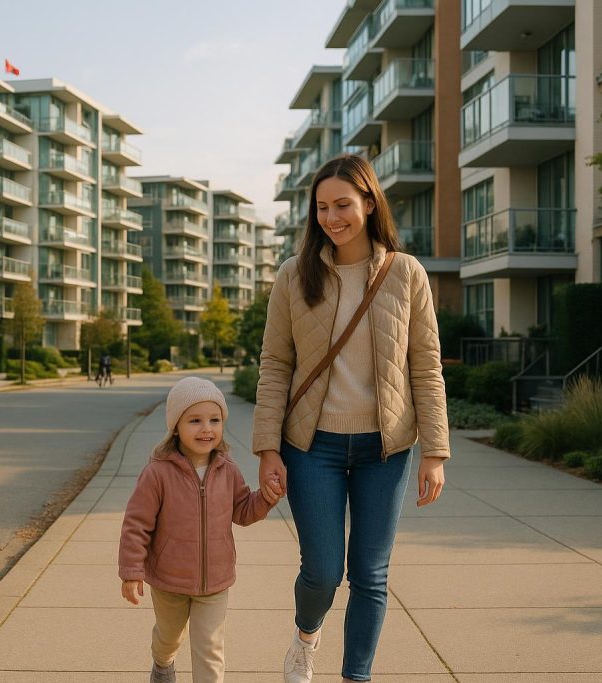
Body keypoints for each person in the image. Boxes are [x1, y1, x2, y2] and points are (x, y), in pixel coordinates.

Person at [252, 154, 449, 683]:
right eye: (321, 208)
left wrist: (435, 451)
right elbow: (275, 365)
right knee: (321, 570)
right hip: (311, 445)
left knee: (371, 575)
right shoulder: (295, 276)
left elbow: (425, 366)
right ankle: (305, 636)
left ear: (369, 202)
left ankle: (355, 676)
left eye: (343, 204)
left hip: (384, 448)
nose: (332, 217)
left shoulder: (406, 274)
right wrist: (267, 448)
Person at [119, 376, 284, 683]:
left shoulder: (228, 469)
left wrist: (265, 499)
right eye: (195, 420)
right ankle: (162, 662)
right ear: (176, 427)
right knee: (169, 637)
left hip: (216, 580)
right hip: (169, 579)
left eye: (214, 420)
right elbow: (137, 523)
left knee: (210, 648)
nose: (206, 429)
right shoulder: (158, 472)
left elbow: (243, 510)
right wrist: (131, 570)